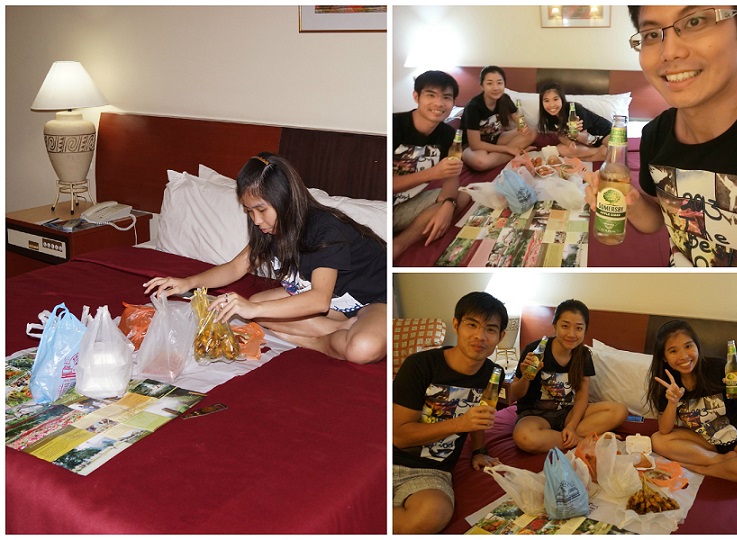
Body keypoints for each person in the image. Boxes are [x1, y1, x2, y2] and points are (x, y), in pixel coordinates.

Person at [143, 151, 386, 365]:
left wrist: (253, 309)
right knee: (253, 306)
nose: (257, 220)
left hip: (373, 299)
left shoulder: (325, 230)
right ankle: (338, 329)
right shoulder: (270, 229)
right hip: (337, 305)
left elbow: (319, 300)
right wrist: (188, 283)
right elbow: (235, 267)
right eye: (249, 211)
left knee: (362, 348)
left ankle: (315, 340)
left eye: (261, 209)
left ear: (285, 199)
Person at [585, 6, 737, 267]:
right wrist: (632, 202)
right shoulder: (655, 135)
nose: (670, 52)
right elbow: (658, 218)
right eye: (651, 35)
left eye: (695, 21)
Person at [393, 292, 507, 534]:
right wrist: (460, 424)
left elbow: (481, 415)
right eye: (472, 325)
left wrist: (479, 451)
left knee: (434, 513)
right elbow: (399, 437)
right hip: (386, 461)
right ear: (456, 324)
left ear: (501, 337)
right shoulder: (420, 365)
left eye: (490, 329)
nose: (480, 336)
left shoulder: (494, 374)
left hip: (430, 471)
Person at [646, 320, 737, 483]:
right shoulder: (667, 383)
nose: (684, 356)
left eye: (688, 346)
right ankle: (719, 460)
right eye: (673, 351)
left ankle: (700, 469)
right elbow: (664, 430)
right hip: (708, 439)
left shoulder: (718, 367)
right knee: (658, 440)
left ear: (697, 346)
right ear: (664, 357)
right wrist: (673, 401)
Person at [511, 300, 628, 453]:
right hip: (535, 415)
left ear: (585, 330)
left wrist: (571, 426)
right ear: (555, 326)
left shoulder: (583, 355)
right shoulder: (535, 350)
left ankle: (562, 436)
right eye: (565, 326)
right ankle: (582, 440)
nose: (571, 334)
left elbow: (582, 395)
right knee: (525, 437)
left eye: (578, 328)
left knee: (620, 411)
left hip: (568, 413)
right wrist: (526, 376)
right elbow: (515, 394)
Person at [393, 70, 472, 260]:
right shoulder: (395, 126)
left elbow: (452, 177)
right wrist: (432, 173)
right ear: (416, 97)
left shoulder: (448, 135)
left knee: (464, 194)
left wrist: (449, 205)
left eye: (446, 97)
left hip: (408, 204)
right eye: (431, 95)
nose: (439, 103)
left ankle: (401, 242)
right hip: (385, 205)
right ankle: (399, 244)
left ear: (453, 102)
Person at [461, 65, 536, 171]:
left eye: (499, 83)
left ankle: (506, 154)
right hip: (474, 147)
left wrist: (522, 127)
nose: (496, 88)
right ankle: (516, 152)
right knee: (481, 162)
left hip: (496, 139)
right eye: (489, 83)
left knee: (532, 132)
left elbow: (520, 121)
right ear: (482, 86)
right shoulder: (473, 107)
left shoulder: (504, 99)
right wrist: (507, 149)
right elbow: (475, 144)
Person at [536, 82, 611, 160]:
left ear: (562, 99)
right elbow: (560, 135)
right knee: (560, 149)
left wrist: (576, 134)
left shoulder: (574, 110)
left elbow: (585, 138)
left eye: (555, 99)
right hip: (588, 144)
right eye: (546, 101)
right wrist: (568, 143)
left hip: (604, 133)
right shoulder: (548, 117)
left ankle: (589, 158)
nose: (552, 105)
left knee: (615, 149)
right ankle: (599, 151)